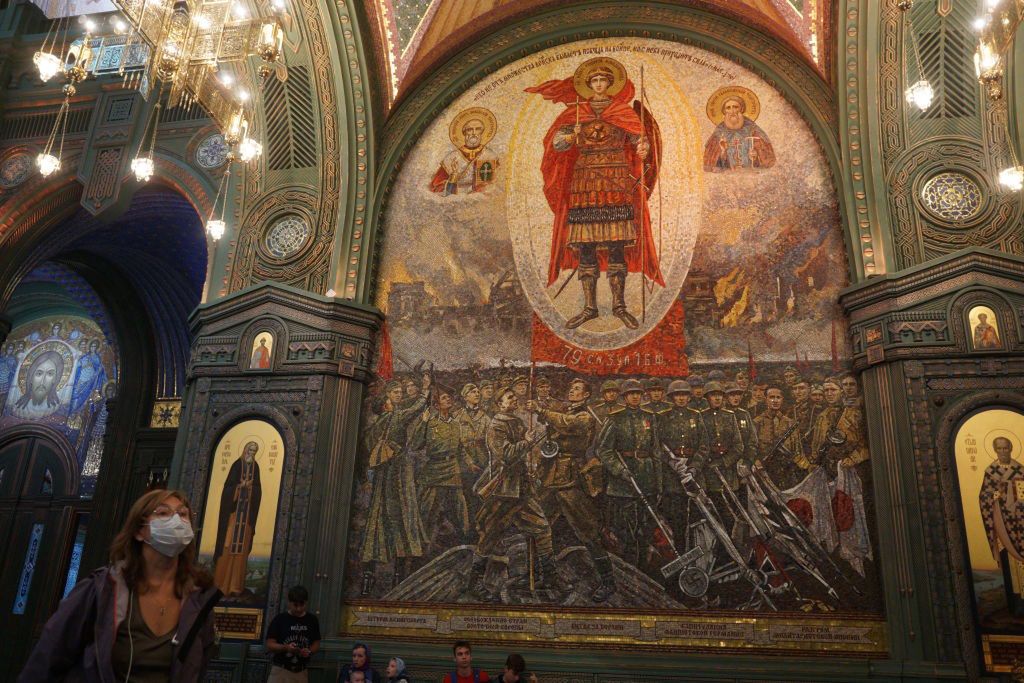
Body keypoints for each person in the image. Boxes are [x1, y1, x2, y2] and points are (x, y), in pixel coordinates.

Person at [18, 489, 221, 682]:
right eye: (163, 513)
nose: (176, 521)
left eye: (183, 514)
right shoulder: (101, 589)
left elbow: (198, 665)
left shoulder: (199, 599)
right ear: (139, 532)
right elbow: (49, 655)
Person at [527, 58, 663, 330]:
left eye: (603, 81)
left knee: (617, 244)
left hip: (615, 182)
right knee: (585, 247)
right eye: (594, 81)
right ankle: (589, 308)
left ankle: (619, 306)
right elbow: (557, 145)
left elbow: (638, 140)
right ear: (588, 86)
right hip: (584, 183)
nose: (599, 85)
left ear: (610, 84)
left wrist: (643, 148)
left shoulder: (622, 111)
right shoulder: (575, 112)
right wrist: (570, 136)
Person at [213, 440, 262, 597]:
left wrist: (251, 488)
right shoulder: (236, 465)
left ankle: (236, 586)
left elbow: (258, 490)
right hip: (233, 517)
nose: (251, 453)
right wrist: (239, 487)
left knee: (241, 552)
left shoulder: (256, 468)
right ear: (245, 449)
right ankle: (221, 584)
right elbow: (227, 489)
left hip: (246, 517)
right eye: (250, 450)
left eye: (254, 451)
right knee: (227, 547)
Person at [702, 94, 775, 172]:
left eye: (735, 107)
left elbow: (768, 160)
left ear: (741, 109)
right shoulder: (719, 132)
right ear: (724, 111)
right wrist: (723, 152)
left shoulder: (753, 129)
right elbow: (710, 163)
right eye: (728, 108)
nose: (732, 111)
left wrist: (756, 157)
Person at [265, 585, 321, 682]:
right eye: (295, 605)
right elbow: (270, 644)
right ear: (289, 603)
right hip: (280, 670)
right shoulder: (280, 619)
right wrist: (286, 647)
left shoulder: (312, 620)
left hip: (301, 671)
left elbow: (316, 644)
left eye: (302, 605)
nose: (299, 609)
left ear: (306, 602)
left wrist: (309, 651)